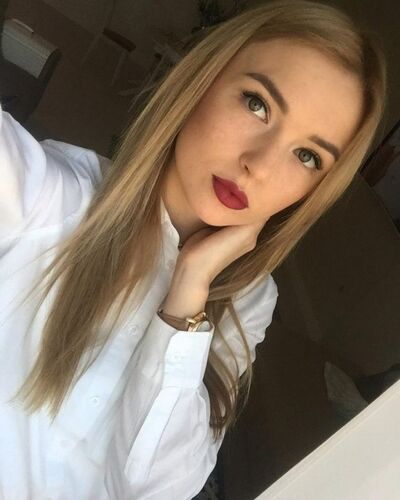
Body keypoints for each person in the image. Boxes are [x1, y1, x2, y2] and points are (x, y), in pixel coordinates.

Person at [0, 0, 386, 498]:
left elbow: (158, 488)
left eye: (307, 156)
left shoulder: (249, 299)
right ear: (201, 80)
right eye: (257, 104)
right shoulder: (47, 196)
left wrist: (187, 299)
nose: (260, 166)